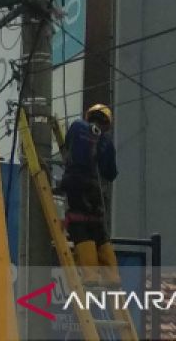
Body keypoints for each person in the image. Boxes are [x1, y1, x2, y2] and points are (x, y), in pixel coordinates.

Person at [60, 104, 119, 284]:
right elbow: (111, 173)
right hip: (95, 189)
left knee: (79, 227)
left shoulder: (77, 126)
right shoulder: (107, 141)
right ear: (107, 123)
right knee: (98, 230)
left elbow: (67, 147)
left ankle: (91, 277)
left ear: (89, 116)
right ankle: (113, 277)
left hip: (75, 183)